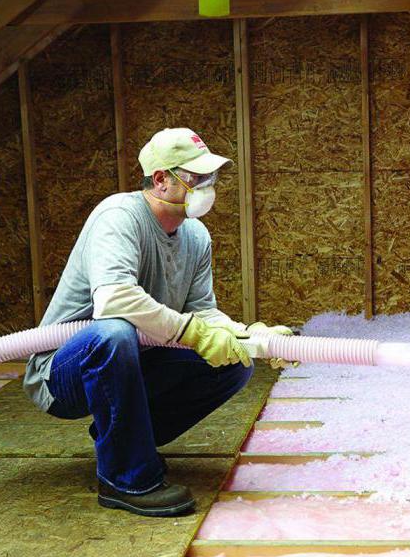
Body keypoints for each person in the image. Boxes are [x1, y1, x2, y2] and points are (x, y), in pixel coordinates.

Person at [22, 127, 293, 517]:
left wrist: (249, 335)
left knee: (233, 362)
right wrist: (190, 331)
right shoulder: (118, 216)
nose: (207, 187)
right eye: (195, 178)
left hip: (137, 354)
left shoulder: (195, 235)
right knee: (114, 331)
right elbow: (113, 298)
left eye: (210, 178)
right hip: (64, 370)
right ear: (162, 180)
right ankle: (125, 478)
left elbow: (202, 311)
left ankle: (126, 439)